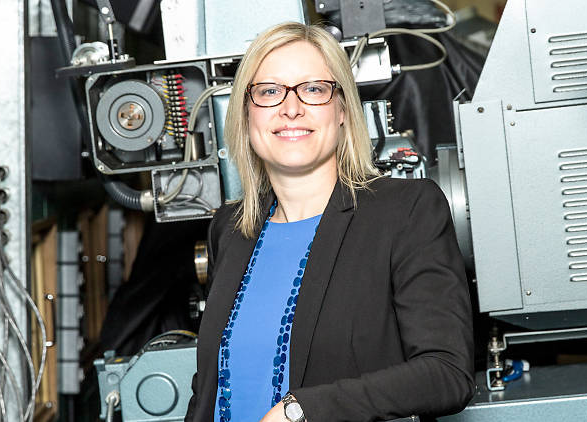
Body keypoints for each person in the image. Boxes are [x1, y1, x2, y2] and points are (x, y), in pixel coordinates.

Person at [185, 22, 474, 422]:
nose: (291, 108)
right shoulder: (230, 229)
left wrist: (303, 409)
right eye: (269, 91)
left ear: (342, 109)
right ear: (246, 112)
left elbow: (448, 373)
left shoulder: (405, 212)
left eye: (313, 89)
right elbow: (208, 390)